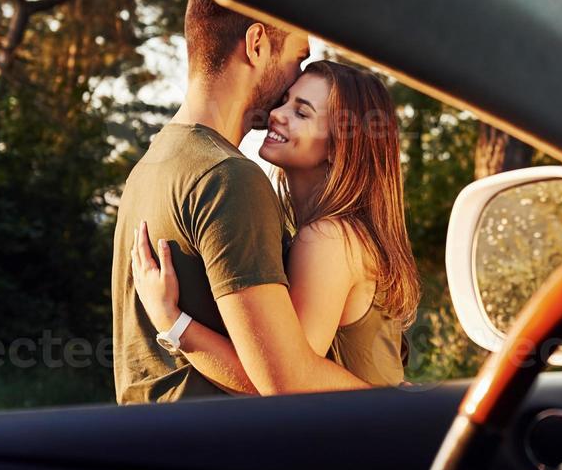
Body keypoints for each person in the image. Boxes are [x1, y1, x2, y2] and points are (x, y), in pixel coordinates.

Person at [112, 0, 370, 402]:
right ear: (256, 45)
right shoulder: (227, 177)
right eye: (297, 59)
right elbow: (283, 380)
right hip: (216, 450)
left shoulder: (149, 166)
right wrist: (395, 401)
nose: (296, 76)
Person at [131, 60, 419, 387]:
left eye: (302, 112)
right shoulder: (336, 233)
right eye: (285, 101)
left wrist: (172, 321)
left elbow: (287, 384)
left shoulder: (330, 239)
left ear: (340, 145)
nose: (277, 114)